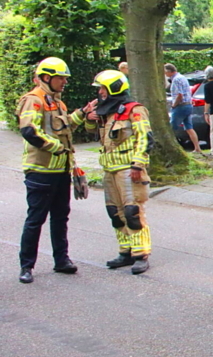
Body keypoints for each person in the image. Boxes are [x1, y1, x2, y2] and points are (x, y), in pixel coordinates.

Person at [17, 57, 90, 284]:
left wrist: (82, 113)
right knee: (35, 219)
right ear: (47, 78)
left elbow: (63, 126)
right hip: (40, 171)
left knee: (60, 217)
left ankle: (61, 260)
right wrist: (56, 147)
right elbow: (29, 131)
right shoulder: (34, 100)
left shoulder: (58, 102)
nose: (64, 82)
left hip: (60, 171)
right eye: (61, 78)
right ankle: (26, 266)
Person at [87, 70, 154, 275]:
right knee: (114, 213)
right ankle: (125, 251)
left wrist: (137, 165)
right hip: (109, 169)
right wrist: (89, 117)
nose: (100, 92)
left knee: (132, 212)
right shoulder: (106, 111)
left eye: (102, 88)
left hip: (128, 170)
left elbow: (145, 138)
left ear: (113, 88)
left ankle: (140, 254)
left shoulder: (135, 110)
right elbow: (92, 131)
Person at [165, 63, 202, 153]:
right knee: (189, 127)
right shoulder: (182, 77)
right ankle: (197, 148)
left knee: (171, 127)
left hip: (181, 106)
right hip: (188, 105)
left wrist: (174, 105)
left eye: (165, 72)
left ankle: (172, 148)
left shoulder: (176, 80)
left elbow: (179, 95)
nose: (165, 74)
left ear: (169, 71)